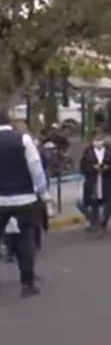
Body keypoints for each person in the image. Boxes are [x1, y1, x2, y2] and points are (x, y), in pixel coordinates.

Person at [0, 109, 50, 297]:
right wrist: (42, 192)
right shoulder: (23, 140)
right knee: (25, 241)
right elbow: (36, 169)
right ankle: (27, 284)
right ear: (9, 122)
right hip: (25, 198)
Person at [79, 128, 111, 237]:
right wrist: (93, 168)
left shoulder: (109, 150)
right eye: (96, 139)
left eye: (100, 138)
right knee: (94, 204)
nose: (98, 141)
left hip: (107, 180)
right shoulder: (87, 151)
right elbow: (82, 167)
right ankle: (98, 227)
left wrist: (107, 167)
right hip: (94, 181)